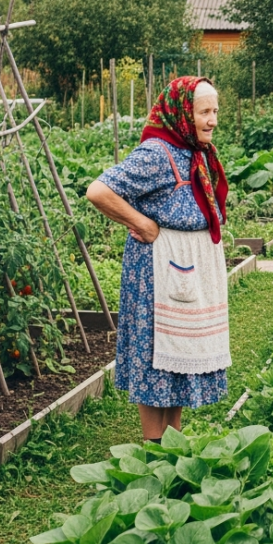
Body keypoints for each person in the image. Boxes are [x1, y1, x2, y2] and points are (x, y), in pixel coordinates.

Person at [87, 77, 232, 442]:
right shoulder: (156, 154)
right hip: (157, 270)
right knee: (157, 355)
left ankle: (174, 442)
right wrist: (141, 223)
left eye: (215, 111)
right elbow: (98, 191)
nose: (212, 120)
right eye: (204, 112)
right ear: (183, 113)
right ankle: (154, 448)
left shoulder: (195, 152)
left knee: (180, 354)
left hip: (186, 266)